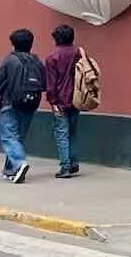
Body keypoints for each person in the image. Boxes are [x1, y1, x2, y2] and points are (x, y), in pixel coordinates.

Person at [0, 29, 44, 184]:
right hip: (31, 104)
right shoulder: (36, 61)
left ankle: (19, 163)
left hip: (10, 103)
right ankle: (11, 170)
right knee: (17, 138)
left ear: (13, 44)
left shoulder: (9, 60)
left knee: (9, 136)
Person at [44, 25, 82, 178]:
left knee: (61, 134)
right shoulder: (79, 54)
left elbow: (51, 84)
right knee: (72, 131)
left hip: (60, 100)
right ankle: (73, 162)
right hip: (77, 98)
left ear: (55, 38)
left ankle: (65, 166)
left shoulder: (52, 57)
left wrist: (52, 101)